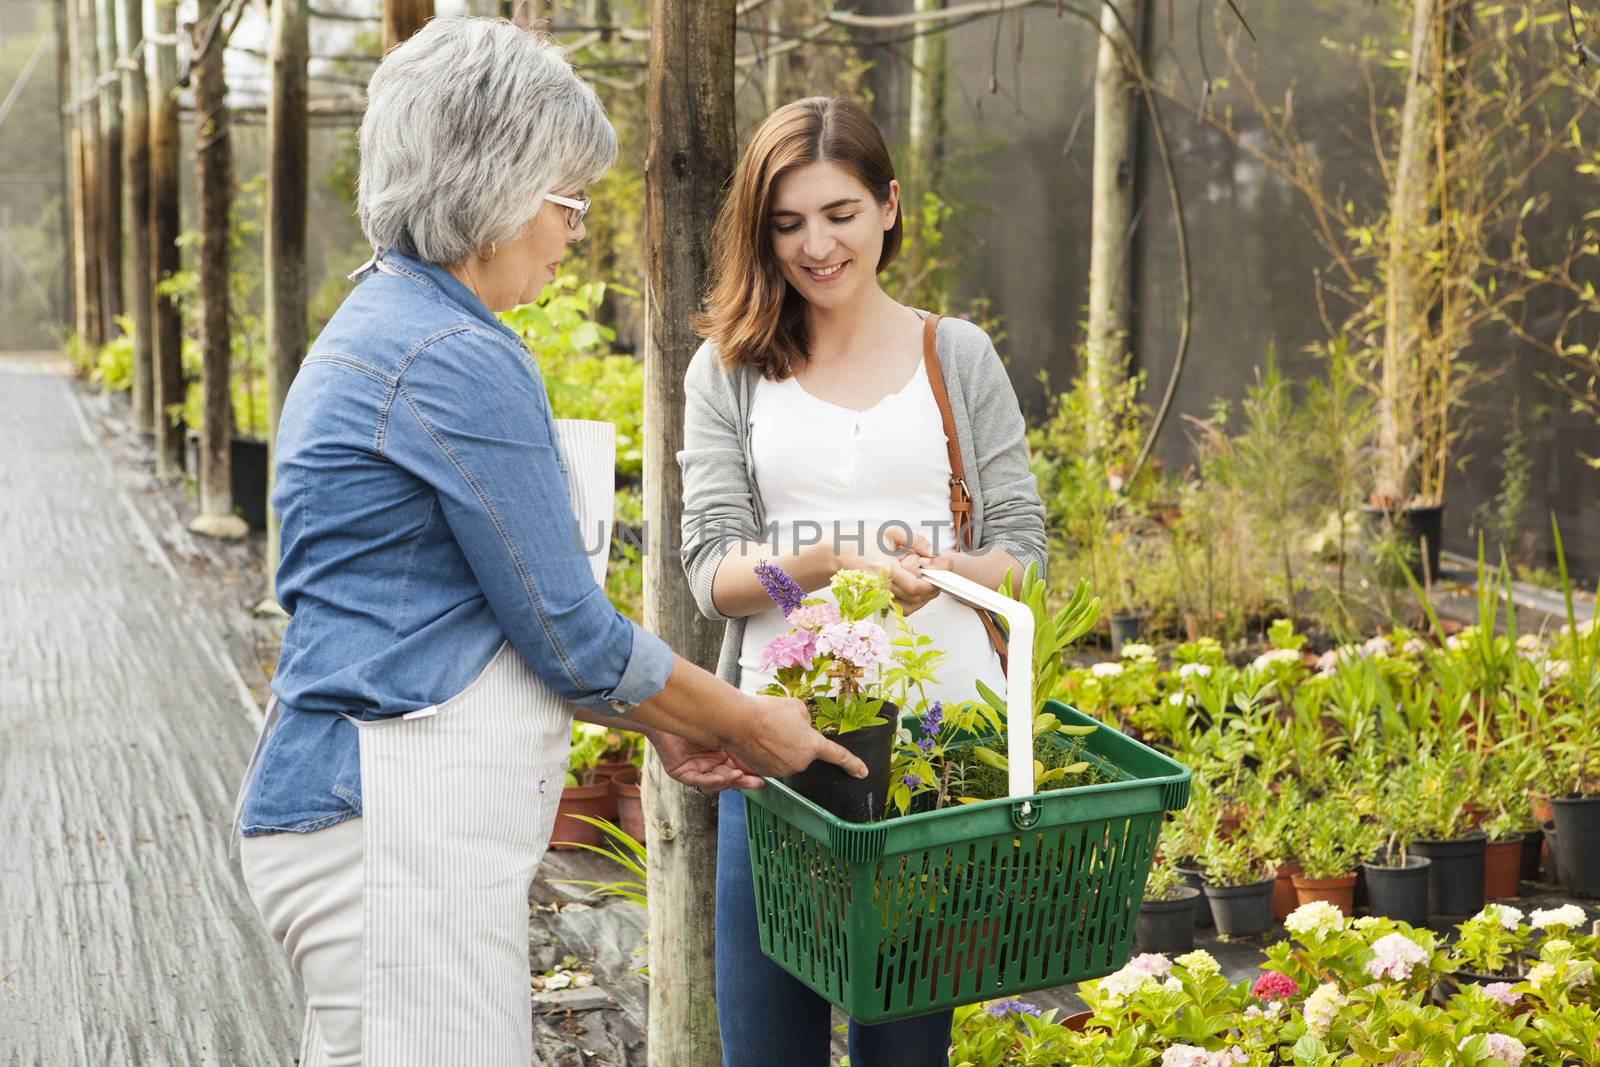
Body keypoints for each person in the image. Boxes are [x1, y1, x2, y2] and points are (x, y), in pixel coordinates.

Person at [232, 23, 864, 1067]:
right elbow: (570, 631)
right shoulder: (450, 354)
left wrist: (657, 719)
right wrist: (750, 723)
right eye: (566, 202)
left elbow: (481, 610)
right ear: (492, 187)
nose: (573, 233)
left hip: (374, 824)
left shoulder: (391, 323)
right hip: (388, 836)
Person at [679, 96, 1048, 1067]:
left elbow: (1023, 548)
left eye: (839, 213)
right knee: (765, 1043)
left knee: (906, 1046)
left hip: (933, 758)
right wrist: (809, 570)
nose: (815, 246)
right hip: (777, 748)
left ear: (888, 205)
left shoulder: (954, 355)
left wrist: (946, 573)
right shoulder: (729, 369)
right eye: (787, 223)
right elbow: (709, 573)